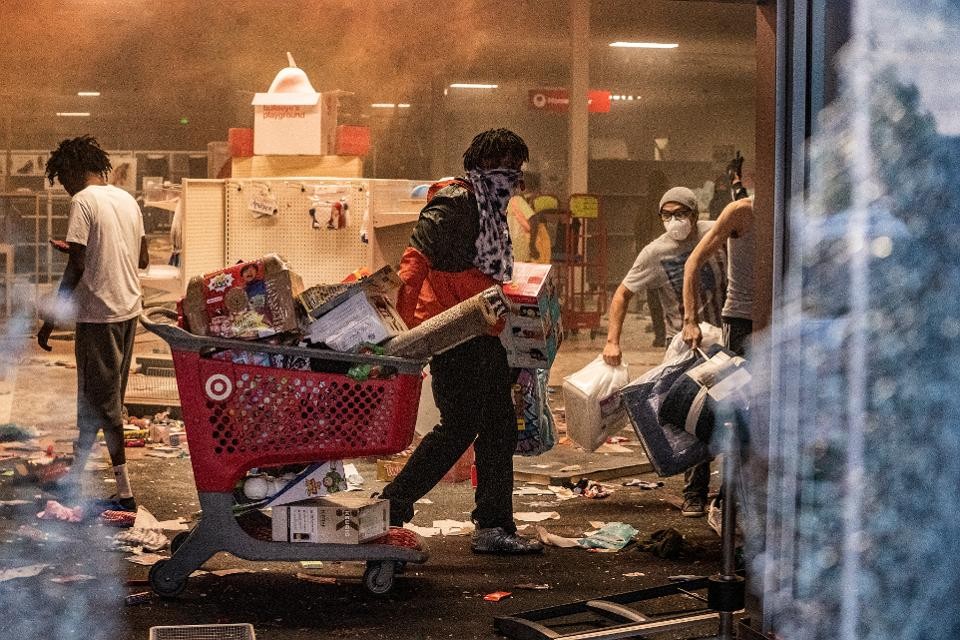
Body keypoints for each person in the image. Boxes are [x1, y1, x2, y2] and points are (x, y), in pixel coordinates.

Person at [380, 128, 543, 554]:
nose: (511, 175)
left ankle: (492, 525)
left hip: (481, 327)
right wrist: (401, 332)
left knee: (497, 428)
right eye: (503, 166)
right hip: (453, 331)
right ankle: (391, 507)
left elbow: (481, 272)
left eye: (516, 168)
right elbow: (415, 261)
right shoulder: (455, 202)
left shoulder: (489, 207)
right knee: (460, 428)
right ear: (480, 165)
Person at [38, 135, 149, 511]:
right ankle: (75, 479)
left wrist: (52, 317)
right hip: (128, 310)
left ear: (71, 170)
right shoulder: (127, 199)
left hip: (99, 315)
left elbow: (78, 265)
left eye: (63, 180)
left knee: (105, 406)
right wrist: (89, 249)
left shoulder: (82, 201)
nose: (65, 188)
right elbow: (142, 258)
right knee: (95, 401)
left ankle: (125, 493)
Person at [602, 186, 726, 517]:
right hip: (685, 346)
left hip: (725, 339)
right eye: (667, 215)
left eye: (681, 213)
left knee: (732, 415)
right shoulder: (655, 253)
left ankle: (731, 494)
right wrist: (612, 340)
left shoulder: (717, 233)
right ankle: (694, 492)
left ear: (694, 214)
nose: (674, 221)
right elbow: (622, 294)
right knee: (694, 419)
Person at [682, 166, 753, 356]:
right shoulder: (742, 211)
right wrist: (690, 321)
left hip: (781, 316)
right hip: (742, 319)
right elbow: (693, 262)